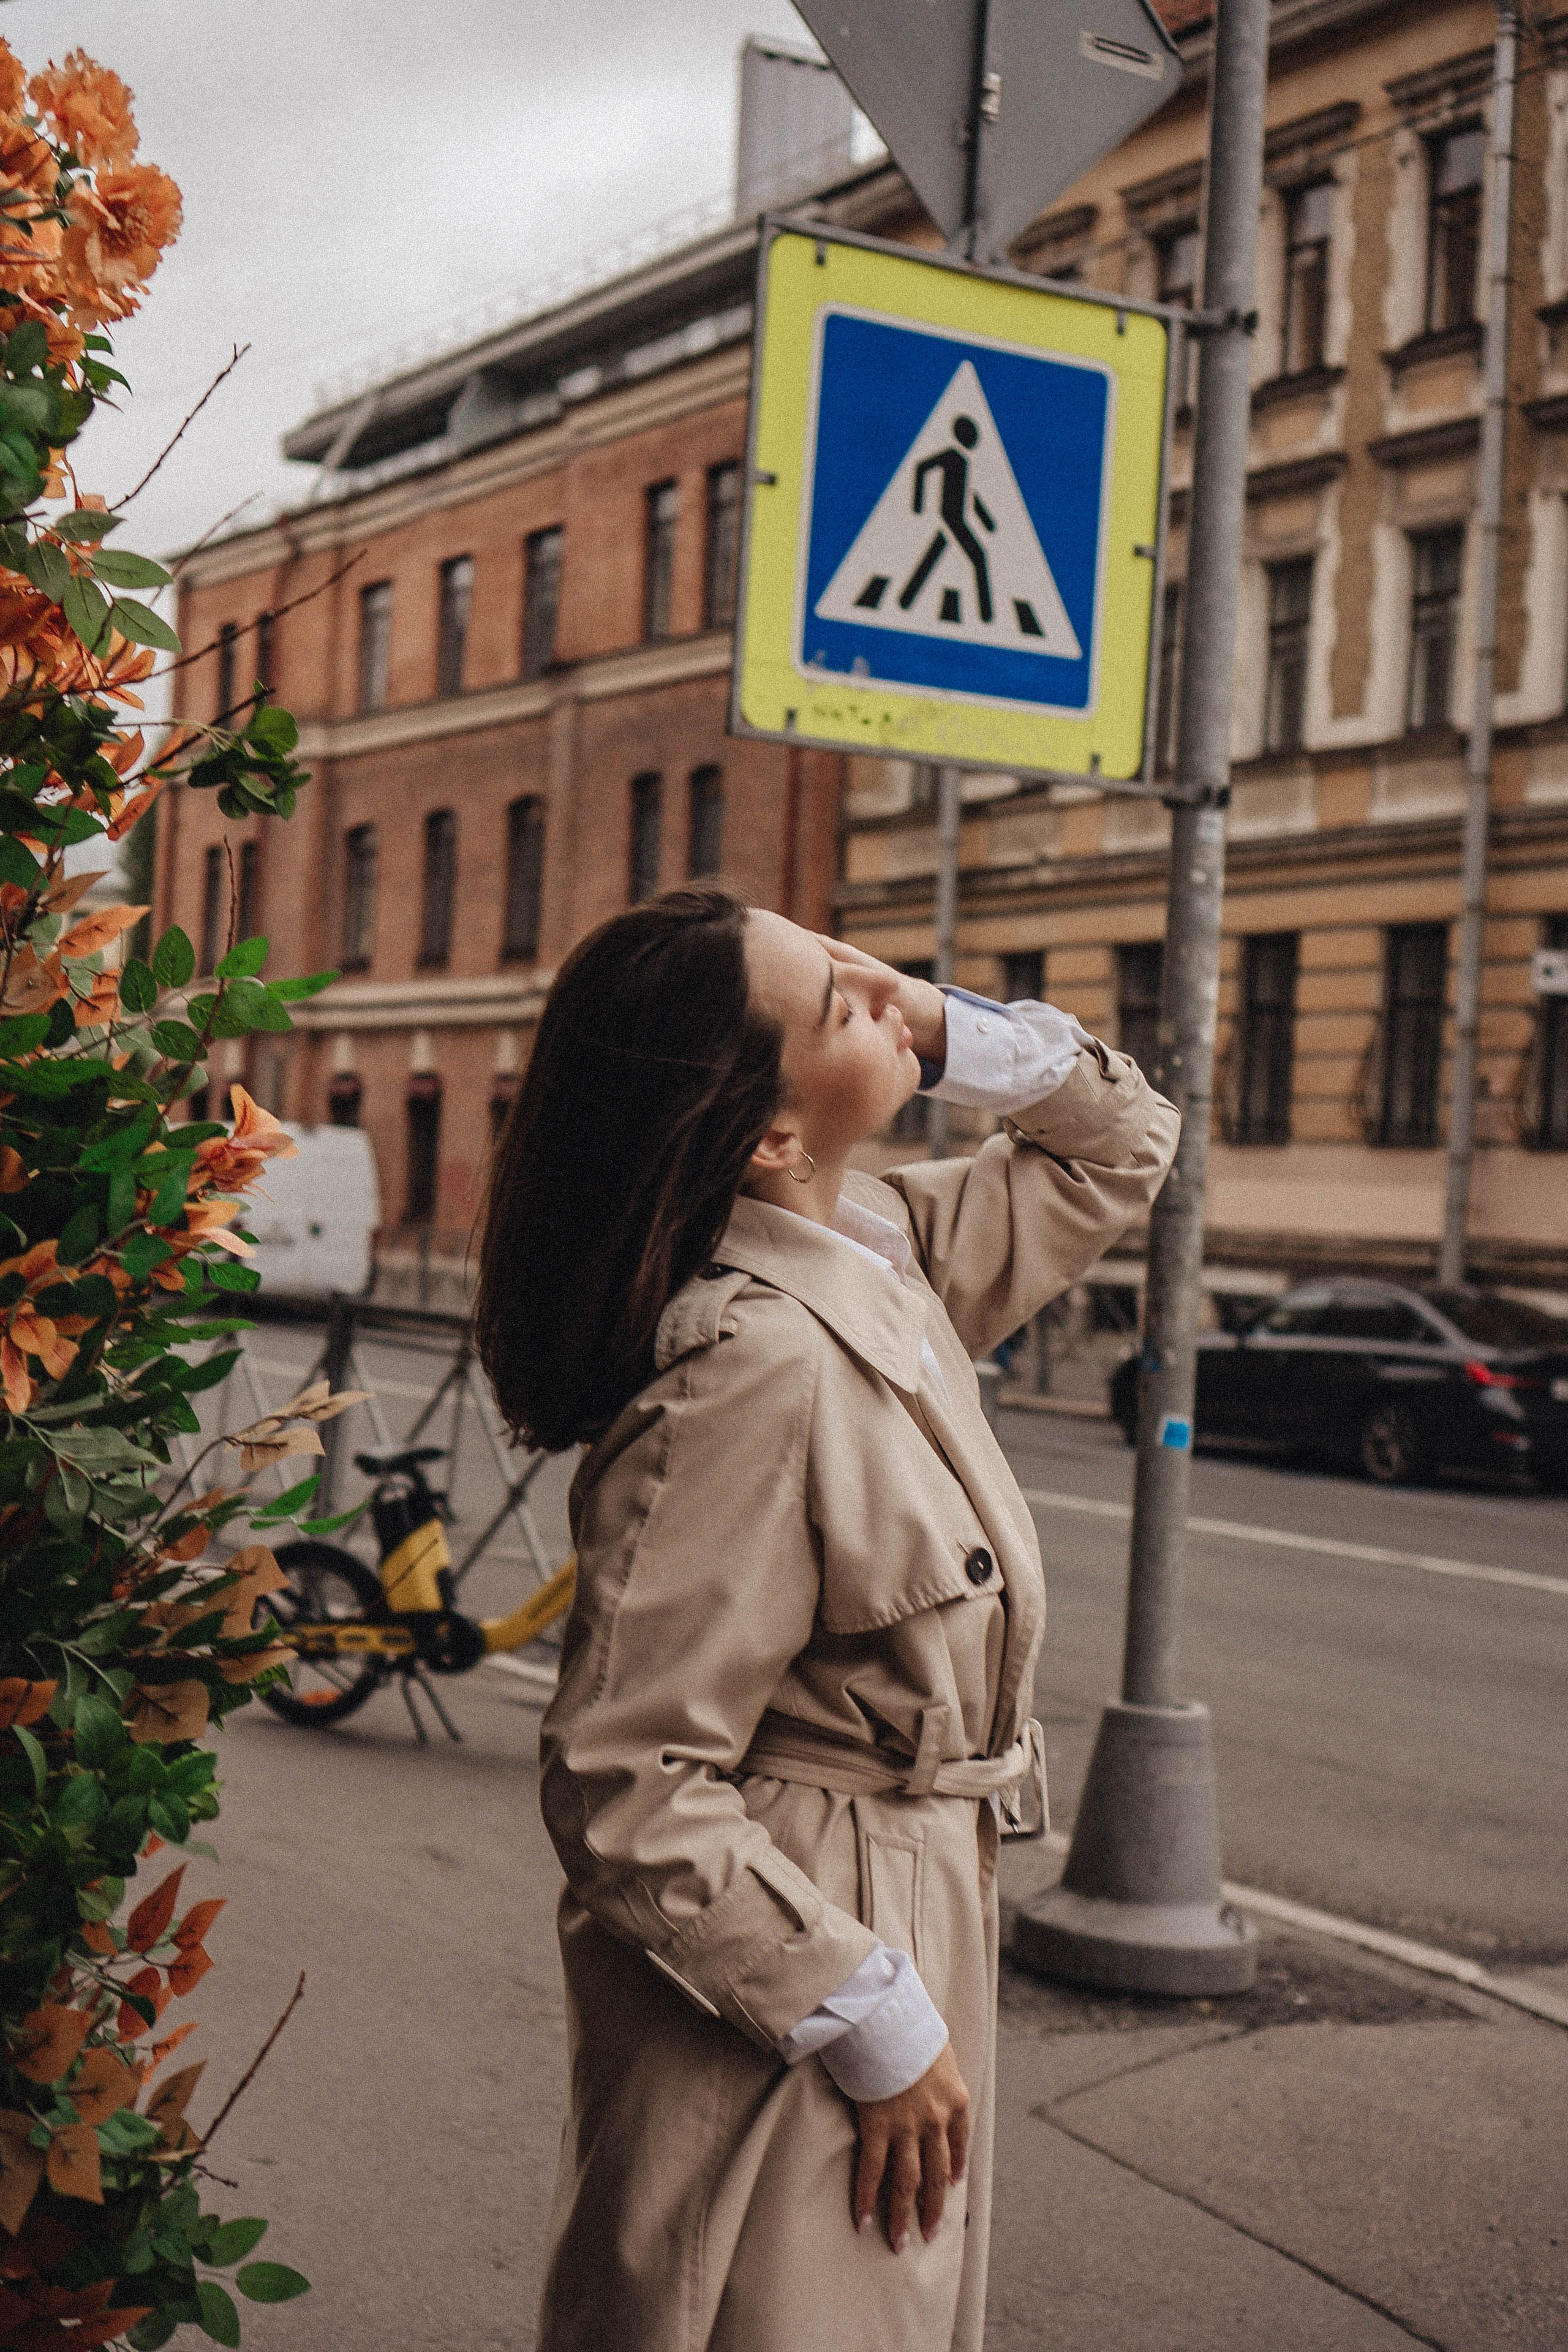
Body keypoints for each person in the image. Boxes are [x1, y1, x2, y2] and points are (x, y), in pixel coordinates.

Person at [475, 886, 1178, 2352]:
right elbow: (624, 1779)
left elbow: (1121, 1142)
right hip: (802, 1952)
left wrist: (926, 1023)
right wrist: (867, 2015)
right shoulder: (748, 1368)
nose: (880, 987)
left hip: (904, 1906)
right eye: (834, 998)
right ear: (766, 1137)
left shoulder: (884, 1261)